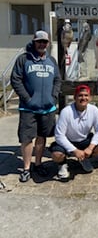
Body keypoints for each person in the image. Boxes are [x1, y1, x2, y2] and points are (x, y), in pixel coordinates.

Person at [11, 30, 61, 182]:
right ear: (34, 42)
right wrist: (27, 98)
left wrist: (53, 97)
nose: (41, 44)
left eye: (44, 42)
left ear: (47, 44)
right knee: (26, 138)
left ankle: (38, 164)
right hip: (28, 108)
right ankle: (26, 168)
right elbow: (16, 80)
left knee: (42, 137)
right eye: (39, 41)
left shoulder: (52, 61)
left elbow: (57, 80)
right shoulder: (23, 59)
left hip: (47, 108)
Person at [50, 84, 98, 181]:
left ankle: (84, 158)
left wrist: (90, 147)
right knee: (56, 154)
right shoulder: (66, 111)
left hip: (84, 140)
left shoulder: (94, 110)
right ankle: (62, 164)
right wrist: (75, 150)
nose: (83, 98)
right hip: (68, 141)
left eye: (86, 95)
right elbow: (59, 136)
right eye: (80, 95)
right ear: (75, 97)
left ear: (90, 98)